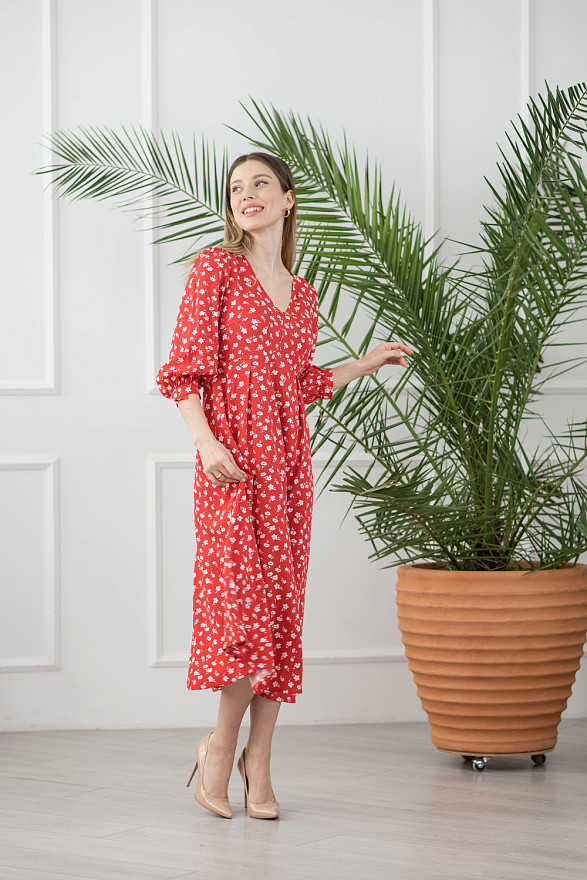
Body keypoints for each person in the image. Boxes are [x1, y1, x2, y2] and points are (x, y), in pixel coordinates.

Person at [156, 151, 413, 820]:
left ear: (287, 199)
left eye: (260, 184)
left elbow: (297, 387)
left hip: (287, 469)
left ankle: (258, 762)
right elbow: (183, 373)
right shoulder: (214, 268)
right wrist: (205, 441)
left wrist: (366, 361)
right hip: (230, 465)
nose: (247, 195)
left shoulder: (303, 295)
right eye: (237, 187)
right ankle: (218, 746)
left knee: (278, 614)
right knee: (239, 616)